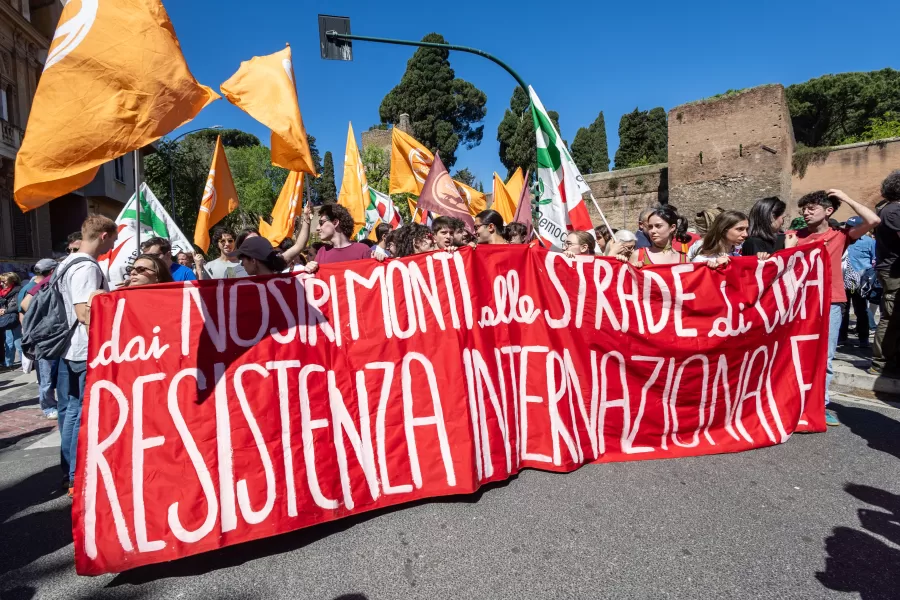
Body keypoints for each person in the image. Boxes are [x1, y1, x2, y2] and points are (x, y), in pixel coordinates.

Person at [790, 190, 880, 426]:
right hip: (799, 303)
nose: (805, 213)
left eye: (811, 208)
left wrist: (845, 197)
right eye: (804, 209)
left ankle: (820, 404)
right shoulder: (793, 236)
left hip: (830, 302)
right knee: (797, 355)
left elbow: (874, 221)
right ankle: (793, 403)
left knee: (826, 357)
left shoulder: (840, 235)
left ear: (828, 211)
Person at [58, 215, 117, 496]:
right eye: (114, 238)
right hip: (84, 348)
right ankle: (74, 476)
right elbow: (84, 313)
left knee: (71, 410)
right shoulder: (86, 267)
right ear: (104, 236)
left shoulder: (66, 262)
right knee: (81, 411)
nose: (114, 243)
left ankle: (69, 471)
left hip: (70, 348)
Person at [18, 259, 60, 418]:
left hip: (51, 337)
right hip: (43, 338)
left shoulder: (47, 283)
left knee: (50, 374)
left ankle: (53, 404)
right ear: (51, 271)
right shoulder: (35, 287)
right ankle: (49, 407)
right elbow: (23, 308)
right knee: (45, 376)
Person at [871, 170, 900, 375]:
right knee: (892, 315)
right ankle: (882, 362)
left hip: (890, 269)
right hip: (894, 271)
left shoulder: (886, 209)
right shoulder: (894, 211)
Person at [839, 217, 876, 348]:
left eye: (852, 227)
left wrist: (869, 278)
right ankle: (841, 337)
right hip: (842, 280)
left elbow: (874, 260)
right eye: (848, 226)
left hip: (860, 282)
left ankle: (863, 338)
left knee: (861, 310)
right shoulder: (841, 238)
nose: (849, 229)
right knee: (842, 310)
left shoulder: (869, 242)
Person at [0, 273, 22, 367]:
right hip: (6, 319)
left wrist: (5, 311)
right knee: (8, 342)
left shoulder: (18, 290)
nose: (1, 283)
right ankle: (8, 363)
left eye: (4, 281)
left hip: (15, 319)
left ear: (12, 281)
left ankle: (24, 363)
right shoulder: (2, 292)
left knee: (18, 342)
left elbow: (19, 305)